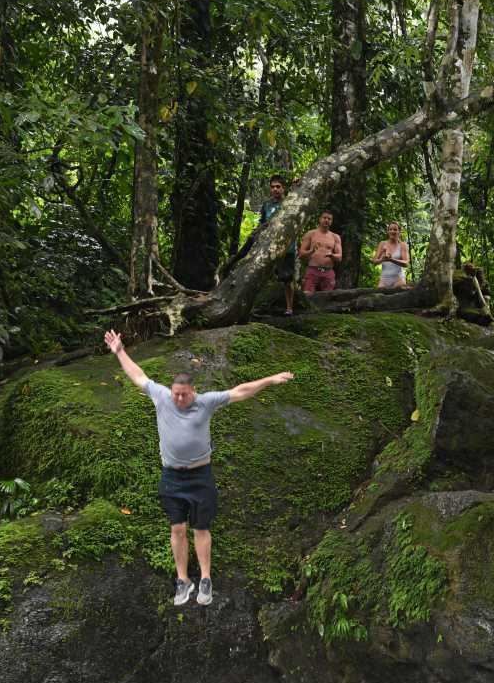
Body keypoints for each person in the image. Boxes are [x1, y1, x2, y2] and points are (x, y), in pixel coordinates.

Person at [102, 329, 294, 606]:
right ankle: (183, 580)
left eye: (184, 395)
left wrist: (270, 380)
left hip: (200, 476)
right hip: (171, 477)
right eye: (176, 394)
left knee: (201, 529)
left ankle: (205, 578)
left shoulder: (206, 402)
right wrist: (120, 351)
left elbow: (240, 391)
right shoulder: (162, 397)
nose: (179, 399)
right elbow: (138, 376)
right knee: (177, 529)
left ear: (194, 391)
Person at [254, 175, 299, 316]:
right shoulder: (267, 205)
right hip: (268, 247)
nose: (275, 189)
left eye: (278, 186)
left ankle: (289, 308)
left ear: (283, 188)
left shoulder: (289, 202)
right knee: (262, 276)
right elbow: (262, 223)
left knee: (287, 278)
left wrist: (296, 186)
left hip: (287, 248)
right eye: (273, 187)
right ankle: (258, 306)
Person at [300, 211, 343, 294]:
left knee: (327, 297)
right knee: (307, 296)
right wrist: (311, 251)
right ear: (320, 219)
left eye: (329, 219)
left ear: (331, 221)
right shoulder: (310, 234)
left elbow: (339, 257)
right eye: (324, 218)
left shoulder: (335, 237)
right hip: (312, 270)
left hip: (328, 272)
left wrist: (332, 255)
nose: (326, 220)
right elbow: (301, 254)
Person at [372, 222, 411, 288]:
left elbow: (406, 263)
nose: (392, 231)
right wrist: (382, 259)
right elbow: (374, 262)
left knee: (398, 292)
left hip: (398, 279)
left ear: (399, 232)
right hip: (384, 279)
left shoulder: (403, 245)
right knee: (379, 293)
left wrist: (391, 260)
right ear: (388, 231)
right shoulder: (382, 244)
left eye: (395, 229)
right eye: (390, 229)